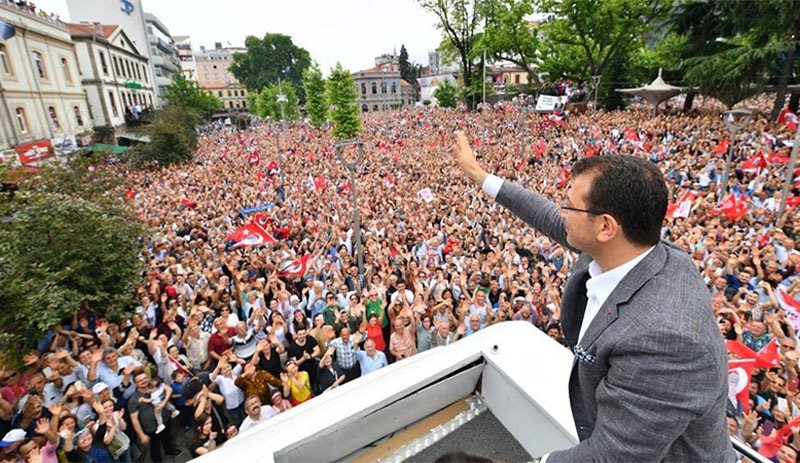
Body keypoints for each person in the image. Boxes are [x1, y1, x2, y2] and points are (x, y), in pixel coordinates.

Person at [451, 130, 734, 462]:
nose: (560, 212)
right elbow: (543, 213)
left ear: (606, 227)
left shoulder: (665, 340)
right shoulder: (631, 250)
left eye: (569, 205)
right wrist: (479, 175)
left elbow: (612, 457)